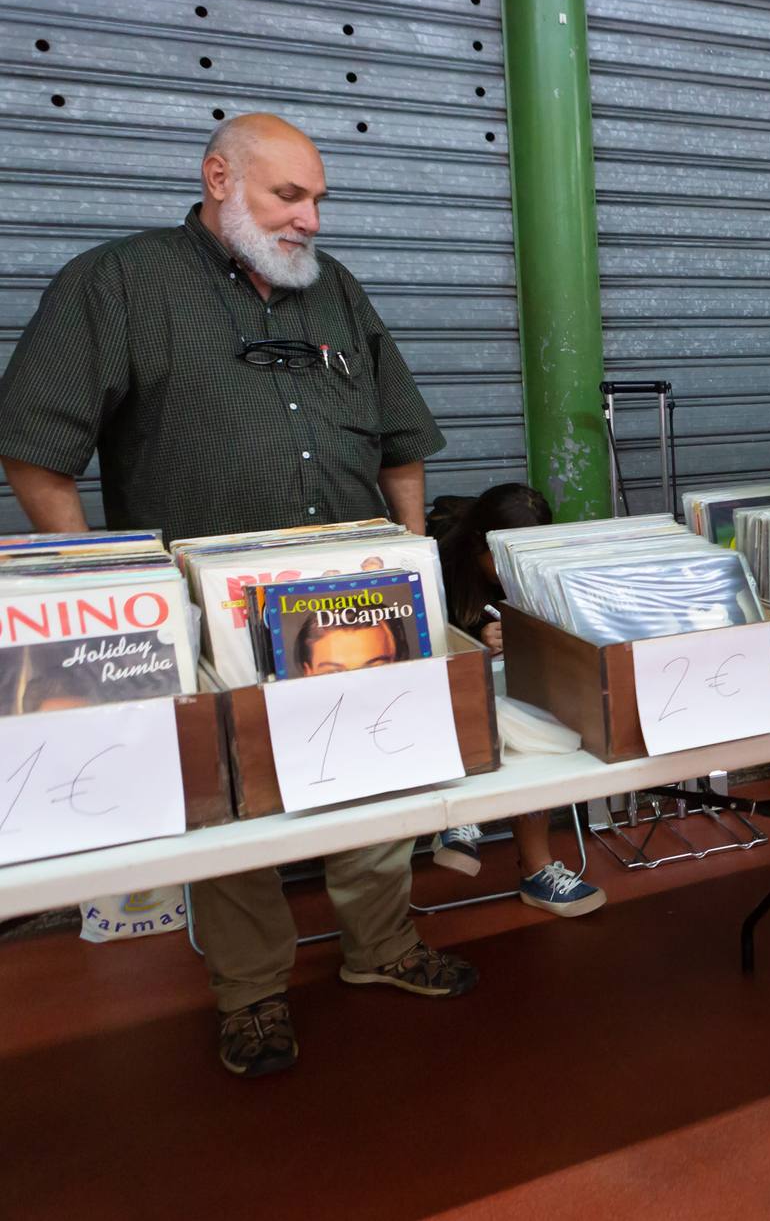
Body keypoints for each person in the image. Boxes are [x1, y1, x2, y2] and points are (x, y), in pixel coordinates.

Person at [0, 113, 475, 1078]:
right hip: (200, 603)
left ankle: (380, 948)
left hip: (356, 594)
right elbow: (35, 443)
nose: (308, 220)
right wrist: (103, 587)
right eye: (286, 196)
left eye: (317, 201)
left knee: (376, 772)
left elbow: (400, 441)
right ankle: (252, 992)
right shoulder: (122, 282)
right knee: (227, 802)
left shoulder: (333, 291)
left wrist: (416, 559)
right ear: (220, 179)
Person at [426, 483, 606, 917]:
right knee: (492, 708)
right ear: (478, 545)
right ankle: (486, 830)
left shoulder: (541, 566)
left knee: (539, 723)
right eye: (504, 561)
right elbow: (421, 649)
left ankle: (509, 850)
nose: (513, 572)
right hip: (447, 703)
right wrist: (471, 642)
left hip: (513, 694)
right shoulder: (437, 563)